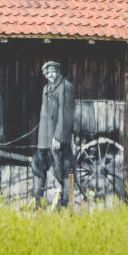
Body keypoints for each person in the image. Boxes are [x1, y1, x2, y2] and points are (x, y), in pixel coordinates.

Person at [32, 61, 75, 207]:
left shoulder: (65, 87)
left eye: (52, 72)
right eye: (47, 73)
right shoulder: (46, 88)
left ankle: (65, 203)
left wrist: (58, 137)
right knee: (38, 166)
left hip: (57, 139)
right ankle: (37, 202)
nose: (50, 75)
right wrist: (42, 140)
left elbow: (65, 115)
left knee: (62, 169)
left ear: (58, 71)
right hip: (44, 138)